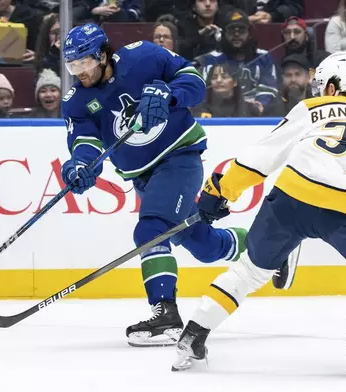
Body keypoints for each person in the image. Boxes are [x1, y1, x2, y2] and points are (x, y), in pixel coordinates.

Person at [171, 52, 346, 377]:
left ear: (331, 87)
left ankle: (194, 335)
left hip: (292, 194)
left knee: (248, 271)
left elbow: (261, 156)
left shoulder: (314, 108)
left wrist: (220, 192)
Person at [61, 23, 248, 347]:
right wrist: (81, 165)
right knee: (204, 246)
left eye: (85, 63)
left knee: (150, 230)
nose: (80, 72)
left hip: (179, 159)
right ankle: (267, 244)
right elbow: (85, 141)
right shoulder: (76, 100)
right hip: (144, 178)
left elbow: (193, 81)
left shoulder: (144, 57)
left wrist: (169, 94)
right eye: (73, 66)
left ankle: (166, 314)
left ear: (103, 55)